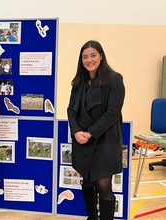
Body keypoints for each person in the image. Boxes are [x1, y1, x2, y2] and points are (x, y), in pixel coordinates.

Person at [67, 40, 125, 220]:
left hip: (105, 140)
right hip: (82, 140)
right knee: (87, 181)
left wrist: (91, 132)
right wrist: (76, 132)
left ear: (101, 56)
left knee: (104, 185)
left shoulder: (115, 79)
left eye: (93, 55)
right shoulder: (79, 81)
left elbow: (112, 112)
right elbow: (71, 110)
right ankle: (91, 217)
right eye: (85, 57)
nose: (89, 60)